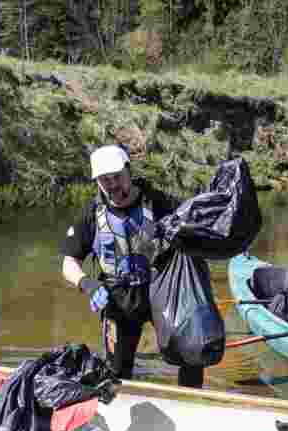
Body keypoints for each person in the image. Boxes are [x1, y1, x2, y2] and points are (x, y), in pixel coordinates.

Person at [59, 144, 205, 388]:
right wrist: (88, 284)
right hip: (117, 299)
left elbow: (194, 234)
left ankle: (191, 401)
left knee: (191, 353)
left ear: (129, 170)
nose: (112, 185)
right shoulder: (91, 214)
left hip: (160, 291)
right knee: (116, 371)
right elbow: (68, 263)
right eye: (105, 180)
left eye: (117, 177)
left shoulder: (159, 202)